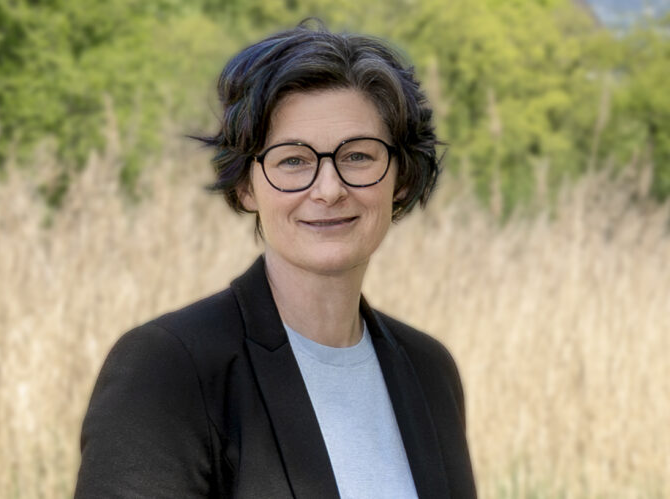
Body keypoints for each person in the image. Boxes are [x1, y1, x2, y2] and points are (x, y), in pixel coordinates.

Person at [75, 20, 476, 499]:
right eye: (293, 160)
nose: (329, 189)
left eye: (358, 156)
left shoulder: (430, 371)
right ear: (246, 185)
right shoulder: (168, 368)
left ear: (402, 178)